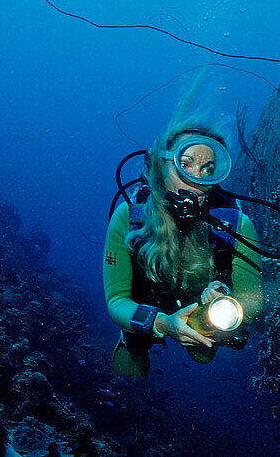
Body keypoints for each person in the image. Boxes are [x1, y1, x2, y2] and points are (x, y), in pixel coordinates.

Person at [102, 116, 263, 375]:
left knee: (210, 340)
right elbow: (117, 300)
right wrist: (162, 323)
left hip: (204, 309)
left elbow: (253, 304)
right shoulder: (128, 217)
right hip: (148, 304)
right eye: (185, 165)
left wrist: (225, 297)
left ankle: (200, 326)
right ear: (159, 167)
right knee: (135, 344)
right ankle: (134, 343)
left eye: (208, 170)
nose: (197, 180)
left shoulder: (236, 224)